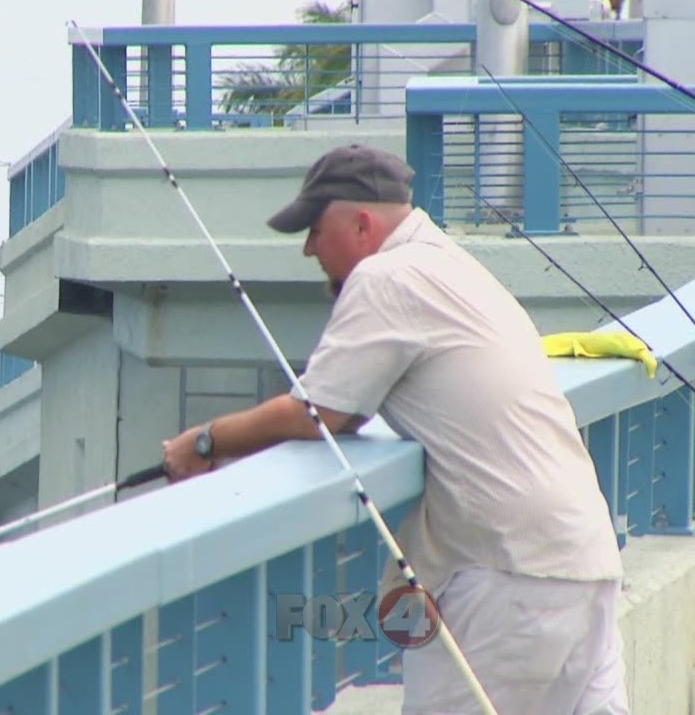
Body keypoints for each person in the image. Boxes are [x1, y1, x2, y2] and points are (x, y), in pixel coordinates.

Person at [161, 144, 628, 714]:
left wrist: (205, 441)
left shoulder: (387, 277)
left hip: (510, 578)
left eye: (313, 229)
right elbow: (349, 408)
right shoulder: (447, 261)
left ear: (361, 223)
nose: (308, 248)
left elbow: (319, 412)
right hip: (587, 559)